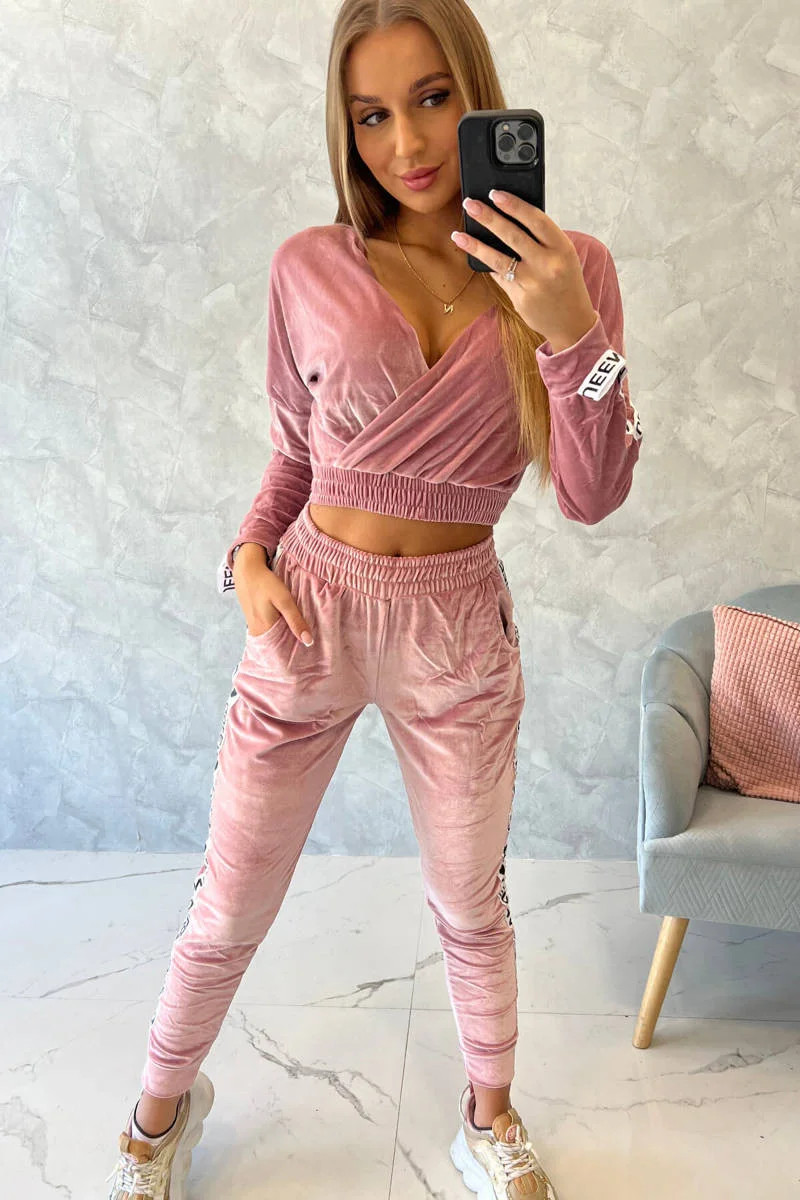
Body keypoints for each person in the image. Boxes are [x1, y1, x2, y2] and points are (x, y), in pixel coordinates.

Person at [106, 2, 643, 1197]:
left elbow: (593, 492)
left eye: (433, 99)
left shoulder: (568, 269)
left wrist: (569, 333)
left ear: (478, 94)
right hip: (310, 607)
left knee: (469, 900)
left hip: (455, 625)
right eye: (371, 115)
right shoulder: (310, 264)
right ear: (343, 130)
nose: (405, 141)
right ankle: (156, 1117)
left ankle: (487, 1117)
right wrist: (247, 557)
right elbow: (294, 455)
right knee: (228, 903)